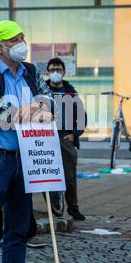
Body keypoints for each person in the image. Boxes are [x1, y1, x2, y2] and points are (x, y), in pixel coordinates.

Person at [0, 20, 54, 263]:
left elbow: (48, 98)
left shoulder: (29, 70)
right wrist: (29, 111)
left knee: (18, 232)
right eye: (14, 40)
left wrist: (40, 106)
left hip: (27, 159)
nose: (21, 44)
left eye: (22, 38)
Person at [45, 57, 87, 221]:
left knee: (69, 177)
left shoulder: (70, 92)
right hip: (46, 139)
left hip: (65, 139)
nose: (55, 73)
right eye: (52, 69)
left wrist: (74, 135)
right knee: (47, 175)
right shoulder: (42, 92)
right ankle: (54, 206)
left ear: (63, 72)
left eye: (58, 69)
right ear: (47, 72)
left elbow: (82, 117)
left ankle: (73, 208)